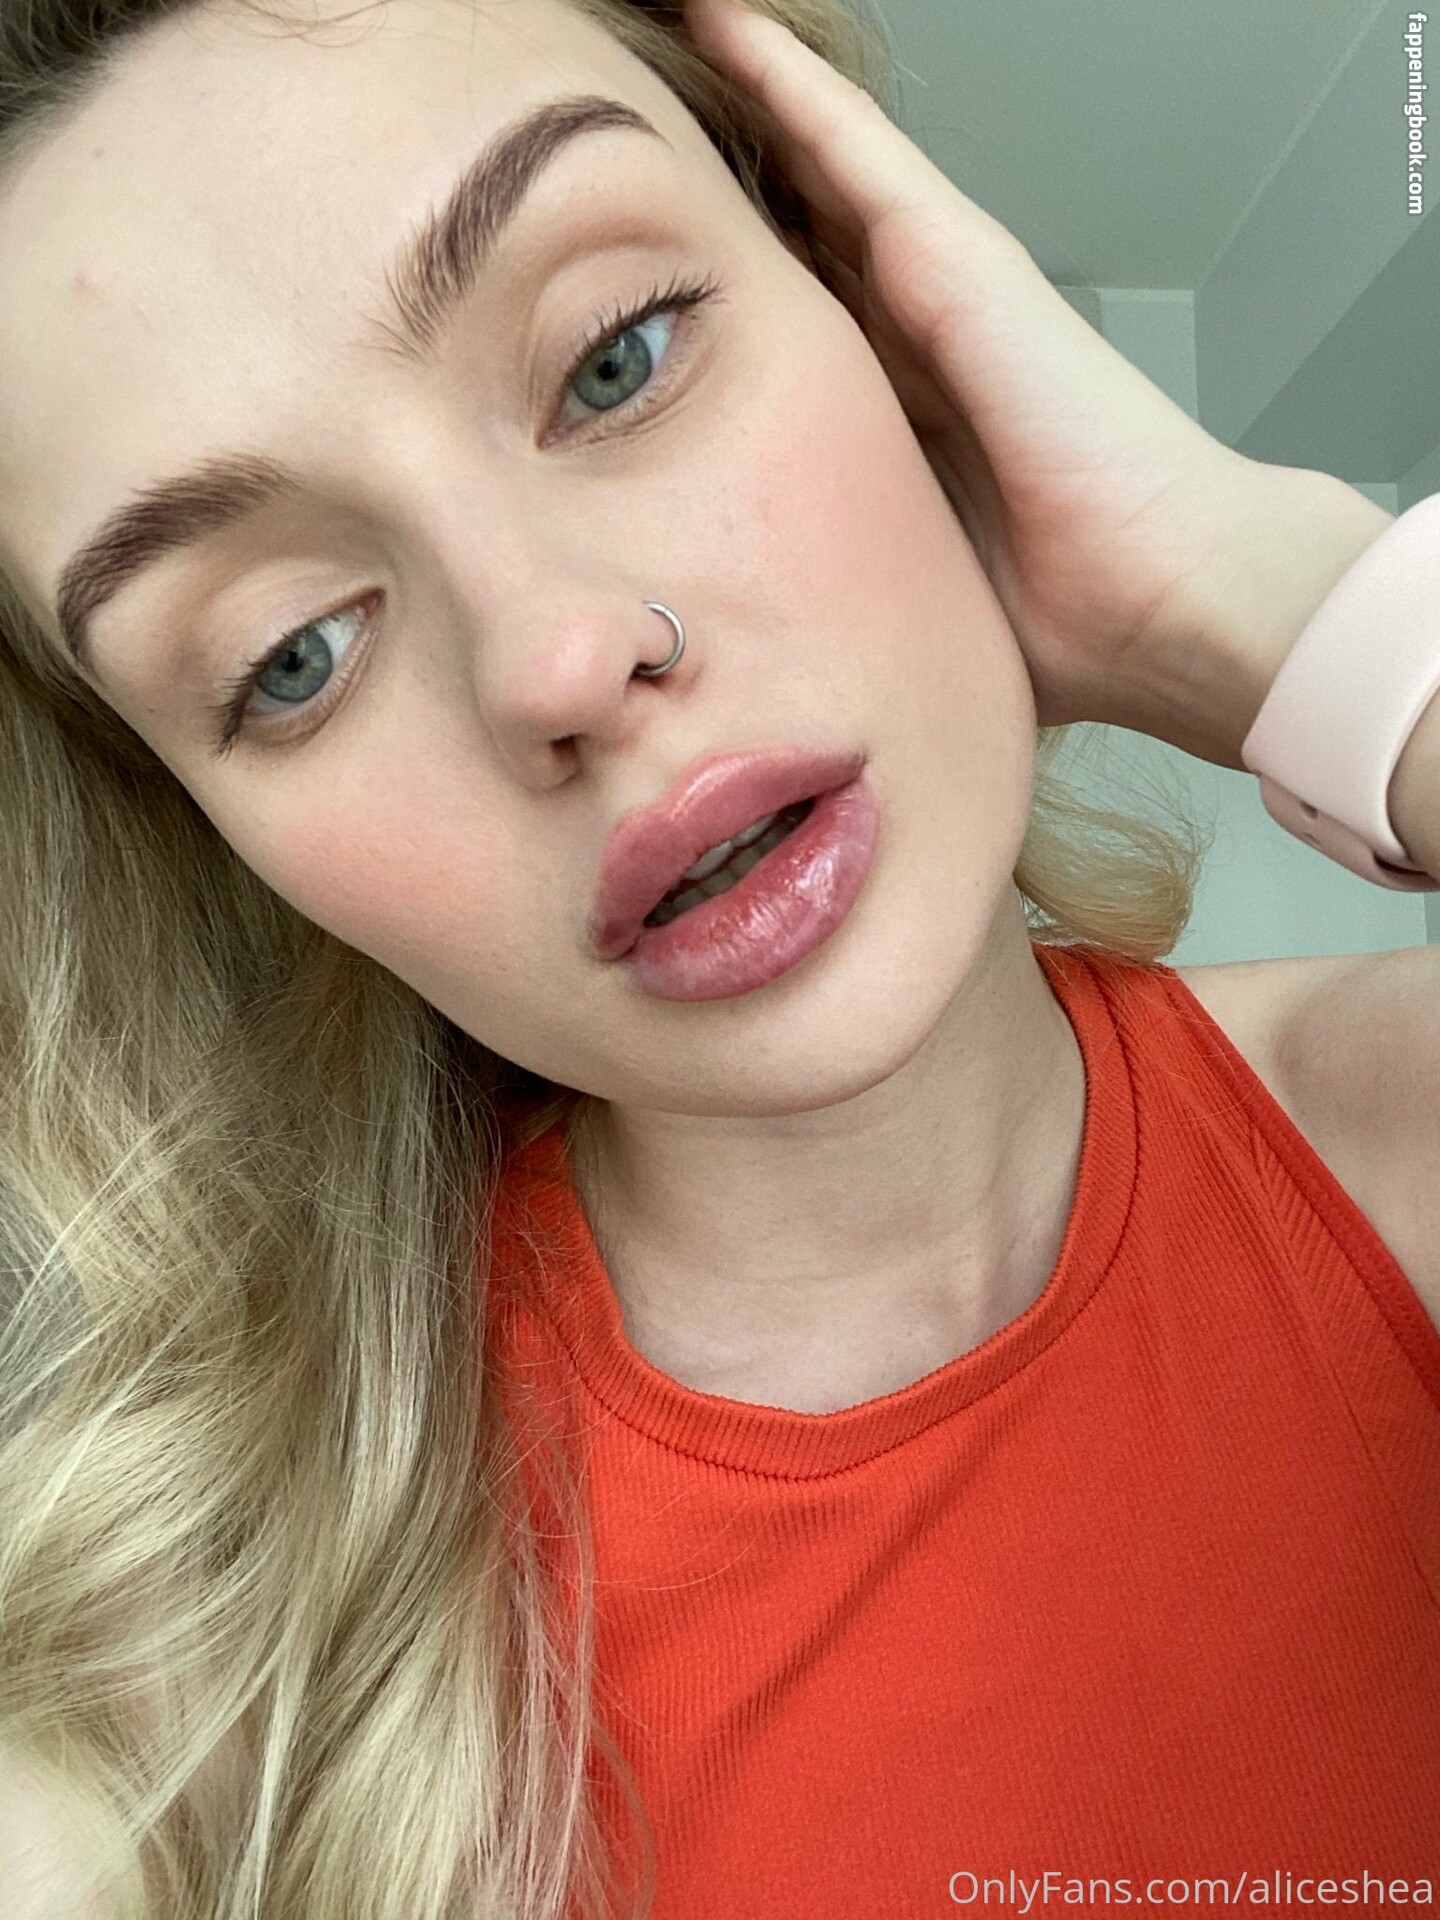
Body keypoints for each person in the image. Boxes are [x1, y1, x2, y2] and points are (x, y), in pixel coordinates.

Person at [0, 0, 1436, 1913]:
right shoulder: (199, 1690)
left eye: (618, 355)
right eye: (291, 653)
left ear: (879, 309)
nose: (558, 658)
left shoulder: (1400, 1137)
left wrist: (1288, 614)